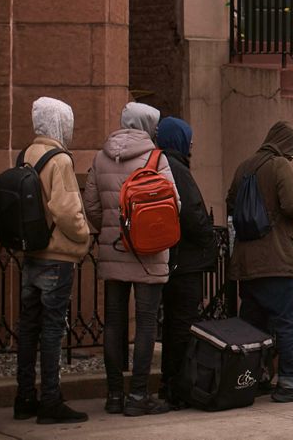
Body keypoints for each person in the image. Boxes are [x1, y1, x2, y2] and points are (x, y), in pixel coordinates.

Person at [84, 102, 175, 416]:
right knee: (146, 323)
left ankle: (113, 395)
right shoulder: (156, 158)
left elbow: (91, 205)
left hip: (114, 249)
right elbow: (172, 204)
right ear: (148, 125)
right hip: (149, 252)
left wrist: (111, 230)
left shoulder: (100, 157)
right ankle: (138, 395)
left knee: (114, 322)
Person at [226, 122, 293, 402]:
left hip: (246, 264)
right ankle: (289, 385)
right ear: (286, 146)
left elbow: (231, 203)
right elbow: (291, 204)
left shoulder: (244, 167)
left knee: (253, 328)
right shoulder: (279, 165)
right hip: (276, 261)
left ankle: (253, 379)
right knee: (289, 323)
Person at [12, 98, 91, 424]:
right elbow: (67, 210)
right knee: (52, 330)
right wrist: (84, 235)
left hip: (31, 254)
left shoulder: (26, 154)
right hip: (56, 258)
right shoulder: (59, 160)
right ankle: (51, 401)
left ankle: (24, 396)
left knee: (29, 328)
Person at [154, 117, 216, 410]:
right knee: (182, 324)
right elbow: (192, 212)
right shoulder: (176, 168)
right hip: (185, 260)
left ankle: (170, 384)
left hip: (169, 257)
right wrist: (208, 237)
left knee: (171, 325)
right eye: (187, 139)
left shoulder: (159, 164)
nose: (191, 144)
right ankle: (177, 386)